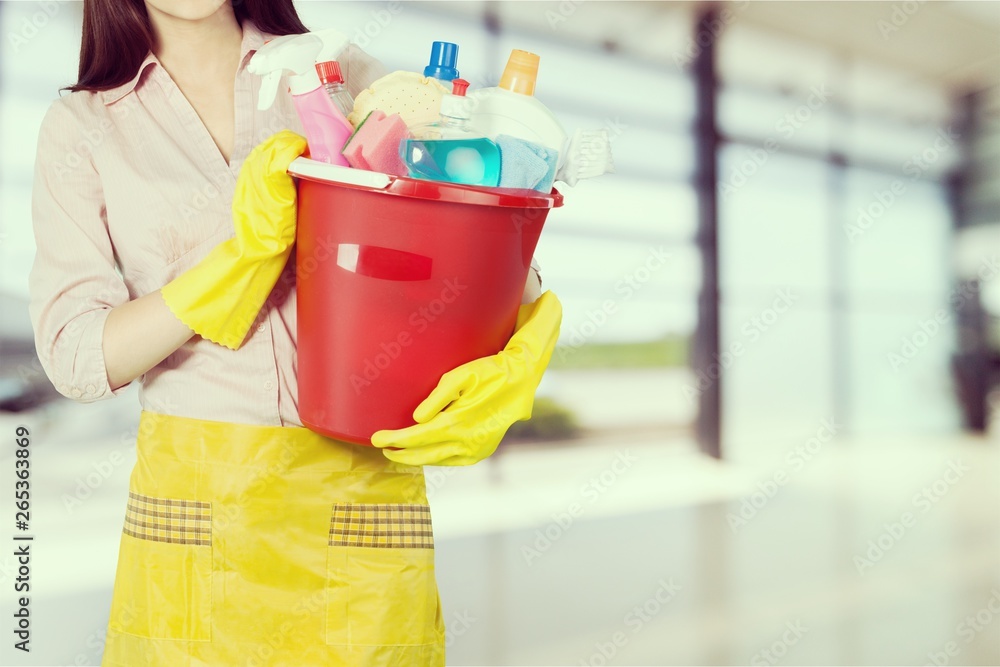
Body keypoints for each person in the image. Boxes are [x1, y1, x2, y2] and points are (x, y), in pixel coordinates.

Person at [28, 0, 562, 665]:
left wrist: (522, 350)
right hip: (197, 508)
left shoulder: (344, 77)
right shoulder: (83, 128)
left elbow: (473, 235)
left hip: (357, 493)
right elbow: (77, 356)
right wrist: (235, 264)